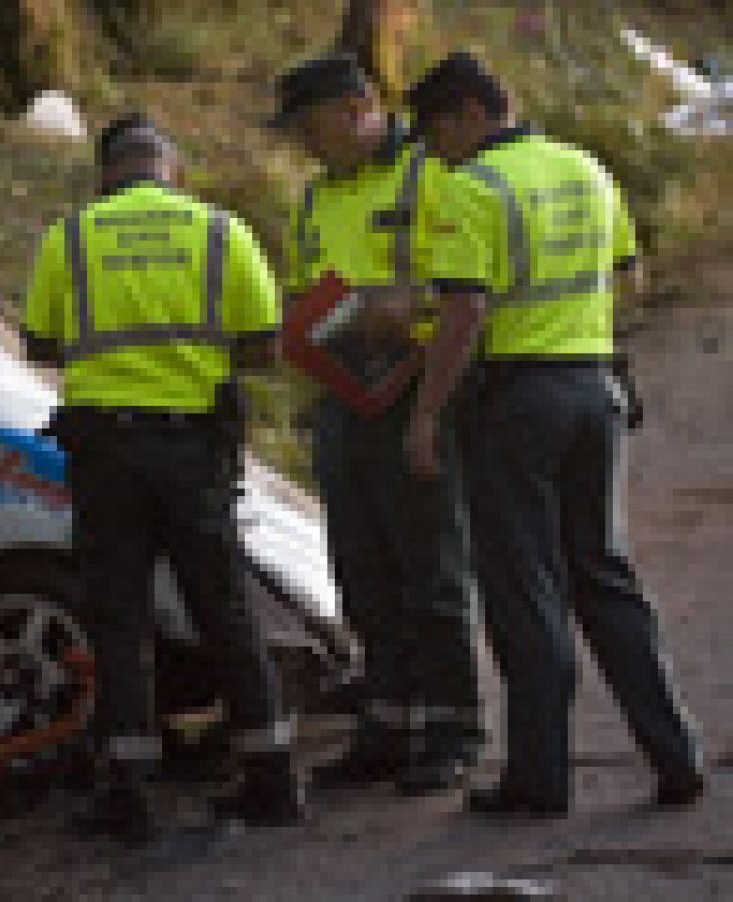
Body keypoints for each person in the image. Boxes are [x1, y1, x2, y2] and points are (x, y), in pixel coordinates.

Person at [403, 52, 705, 815]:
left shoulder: (475, 189)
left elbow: (463, 313)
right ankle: (676, 753)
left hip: (520, 402)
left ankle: (539, 778)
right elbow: (627, 276)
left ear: (472, 111)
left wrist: (427, 413)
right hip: (593, 388)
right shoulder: (586, 167)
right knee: (604, 573)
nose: (435, 151)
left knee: (526, 587)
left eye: (437, 132)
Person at [23, 113, 305, 845]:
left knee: (118, 619)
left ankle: (128, 794)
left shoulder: (71, 237)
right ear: (170, 169)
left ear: (106, 172)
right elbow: (264, 345)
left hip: (108, 455)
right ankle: (272, 778)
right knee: (224, 609)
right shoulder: (220, 232)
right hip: (194, 453)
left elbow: (39, 341)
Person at [266, 54, 482, 796]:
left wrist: (409, 303)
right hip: (343, 399)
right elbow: (303, 291)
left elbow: (472, 285)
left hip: (420, 391)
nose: (303, 142)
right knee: (361, 566)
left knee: (432, 567)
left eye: (309, 124)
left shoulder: (432, 173)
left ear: (360, 106)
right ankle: (388, 726)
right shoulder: (313, 200)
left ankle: (454, 730)